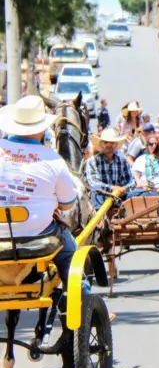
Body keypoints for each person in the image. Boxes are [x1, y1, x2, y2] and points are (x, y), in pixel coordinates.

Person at [0, 96, 87, 295]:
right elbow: (67, 205)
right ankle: (83, 296)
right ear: (42, 129)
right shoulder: (54, 161)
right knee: (71, 259)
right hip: (38, 238)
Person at [85, 128, 144, 209]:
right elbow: (93, 183)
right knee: (95, 194)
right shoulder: (92, 161)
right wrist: (112, 188)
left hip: (120, 198)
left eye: (112, 142)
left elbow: (131, 181)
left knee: (144, 193)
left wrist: (124, 189)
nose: (109, 145)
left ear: (116, 145)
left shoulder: (122, 160)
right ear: (101, 144)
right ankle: (101, 219)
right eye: (106, 142)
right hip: (101, 198)